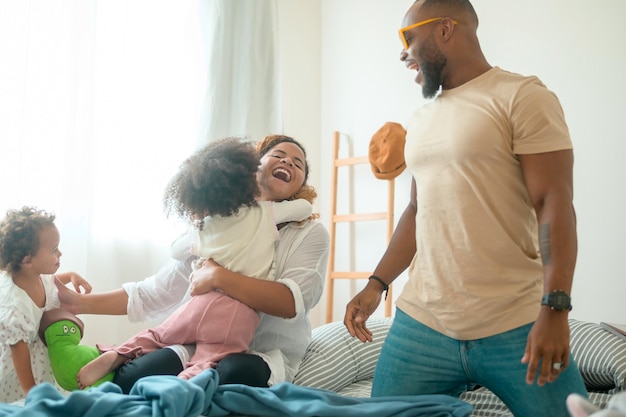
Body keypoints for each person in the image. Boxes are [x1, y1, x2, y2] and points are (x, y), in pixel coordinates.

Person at [343, 1, 588, 416]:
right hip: (423, 323)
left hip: (515, 321)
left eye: (408, 37)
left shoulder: (522, 95)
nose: (403, 53)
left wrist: (556, 306)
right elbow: (417, 211)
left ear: (444, 29)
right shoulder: (421, 120)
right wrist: (377, 283)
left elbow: (554, 202)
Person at [57, 134, 329, 394]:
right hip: (200, 338)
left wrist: (218, 277)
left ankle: (183, 386)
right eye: (278, 155)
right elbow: (155, 291)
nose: (287, 163)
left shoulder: (309, 233)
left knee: (230, 373)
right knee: (132, 376)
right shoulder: (215, 222)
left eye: (298, 164)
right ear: (251, 166)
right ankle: (125, 358)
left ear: (302, 183)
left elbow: (290, 302)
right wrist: (80, 304)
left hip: (264, 353)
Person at [0, 206, 91, 403]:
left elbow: (52, 281)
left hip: (42, 364)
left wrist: (71, 276)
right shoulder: (15, 309)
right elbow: (21, 364)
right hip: (20, 379)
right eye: (54, 249)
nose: (60, 253)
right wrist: (34, 397)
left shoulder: (36, 276)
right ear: (28, 260)